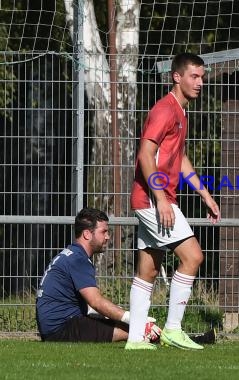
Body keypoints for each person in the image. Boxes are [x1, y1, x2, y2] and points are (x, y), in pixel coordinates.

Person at [125, 52, 221, 350]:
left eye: (202, 77)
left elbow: (178, 160)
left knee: (149, 270)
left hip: (154, 199)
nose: (200, 82)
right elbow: (144, 155)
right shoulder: (165, 110)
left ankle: (135, 339)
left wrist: (205, 194)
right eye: (194, 76)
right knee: (193, 257)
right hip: (153, 200)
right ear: (176, 77)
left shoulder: (181, 112)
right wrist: (161, 199)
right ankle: (173, 329)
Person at [35, 207, 160, 343]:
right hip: (62, 328)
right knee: (139, 332)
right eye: (104, 232)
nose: (108, 237)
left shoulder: (71, 254)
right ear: (87, 234)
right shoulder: (78, 259)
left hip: (60, 325)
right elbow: (96, 302)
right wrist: (135, 319)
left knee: (126, 325)